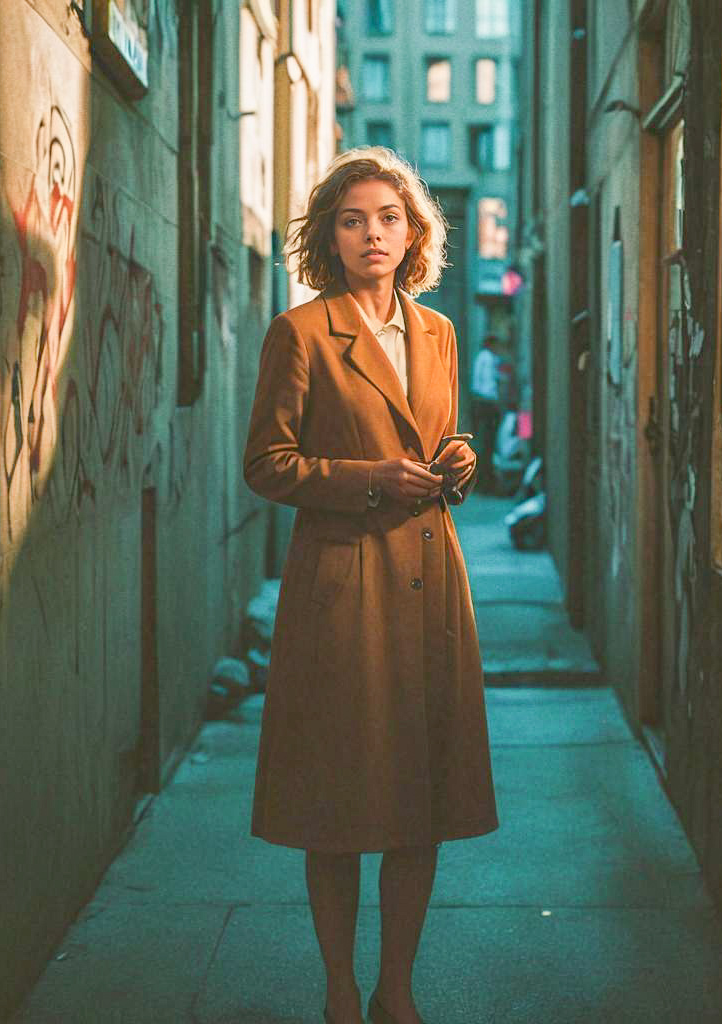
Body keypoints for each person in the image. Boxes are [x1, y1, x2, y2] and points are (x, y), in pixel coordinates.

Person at [243, 147, 499, 1024]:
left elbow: (442, 439)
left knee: (421, 798)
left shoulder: (437, 331)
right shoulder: (302, 333)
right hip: (343, 588)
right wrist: (368, 481)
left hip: (430, 580)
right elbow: (267, 465)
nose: (373, 234)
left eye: (389, 218)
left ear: (414, 231)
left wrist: (456, 460)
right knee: (337, 797)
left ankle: (398, 986)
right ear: (329, 236)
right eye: (353, 219)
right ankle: (340, 989)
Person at [470, 335, 503, 491]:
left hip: (481, 402)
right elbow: (488, 384)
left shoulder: (481, 358)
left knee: (484, 443)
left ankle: (483, 481)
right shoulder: (488, 358)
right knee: (488, 443)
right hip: (487, 403)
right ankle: (485, 482)